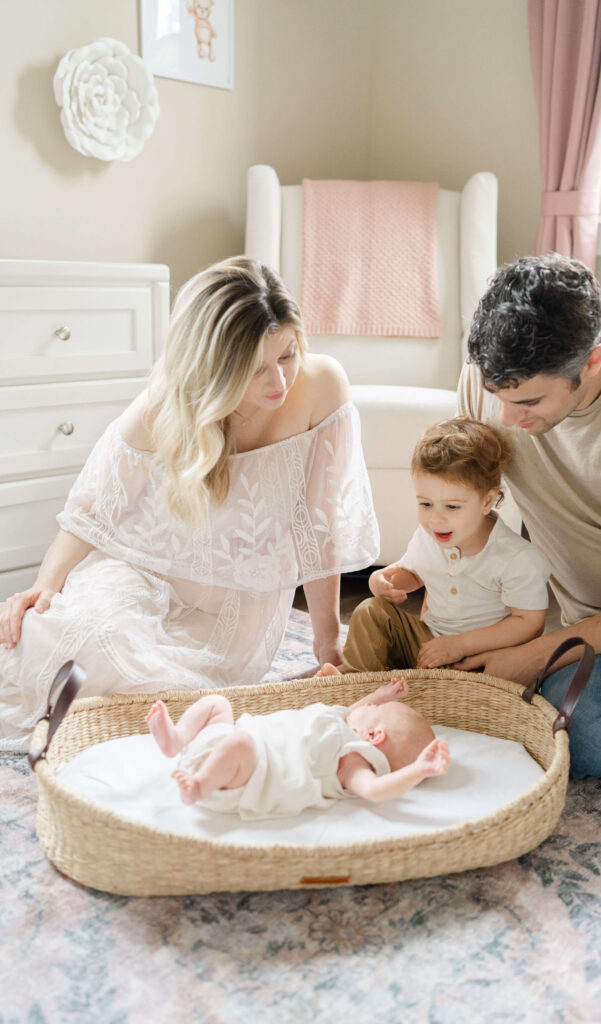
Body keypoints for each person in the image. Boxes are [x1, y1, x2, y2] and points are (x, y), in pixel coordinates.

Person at [0, 257, 379, 752]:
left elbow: (319, 526)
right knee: (66, 635)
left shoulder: (322, 386)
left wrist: (327, 641)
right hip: (141, 570)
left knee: (160, 685)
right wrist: (43, 586)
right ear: (213, 367)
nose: (279, 383)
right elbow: (95, 507)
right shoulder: (169, 403)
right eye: (255, 368)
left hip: (235, 608)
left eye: (287, 356)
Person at [457, 253, 601, 779]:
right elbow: (469, 515)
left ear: (594, 360)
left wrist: (542, 651)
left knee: (590, 733)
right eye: (498, 397)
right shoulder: (490, 386)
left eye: (531, 400)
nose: (507, 420)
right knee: (564, 718)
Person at [319, 416, 550, 675]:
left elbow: (530, 623)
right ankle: (355, 682)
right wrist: (382, 582)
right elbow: (414, 574)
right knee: (370, 611)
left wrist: (460, 645)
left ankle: (407, 687)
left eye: (452, 507)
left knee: (497, 680)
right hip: (429, 645)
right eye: (426, 504)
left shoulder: (516, 558)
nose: (435, 519)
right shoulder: (428, 537)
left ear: (487, 502)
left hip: (481, 660)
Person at [145, 677, 450, 817]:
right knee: (218, 704)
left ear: (373, 736)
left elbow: (374, 790)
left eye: (372, 708)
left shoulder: (352, 760)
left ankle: (197, 786)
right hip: (224, 746)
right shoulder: (342, 724)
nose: (366, 704)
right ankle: (178, 738)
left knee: (239, 743)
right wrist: (381, 696)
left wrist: (417, 769)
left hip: (244, 773)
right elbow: (352, 712)